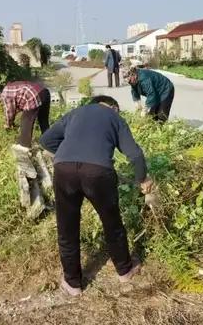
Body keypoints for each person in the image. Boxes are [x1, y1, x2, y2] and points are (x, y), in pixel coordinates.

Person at [39, 95, 152, 296]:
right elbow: (134, 154)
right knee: (112, 224)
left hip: (64, 170)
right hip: (99, 173)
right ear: (113, 107)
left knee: (67, 228)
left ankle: (73, 284)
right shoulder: (114, 117)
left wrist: (68, 156)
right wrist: (142, 179)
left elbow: (46, 139)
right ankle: (125, 271)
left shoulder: (75, 113)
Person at [0, 81, 51, 149]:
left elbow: (10, 111)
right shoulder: (12, 86)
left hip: (33, 95)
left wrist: (8, 124)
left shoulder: (5, 93)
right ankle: (49, 144)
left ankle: (24, 148)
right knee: (43, 121)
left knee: (25, 122)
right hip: (44, 92)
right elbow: (19, 105)